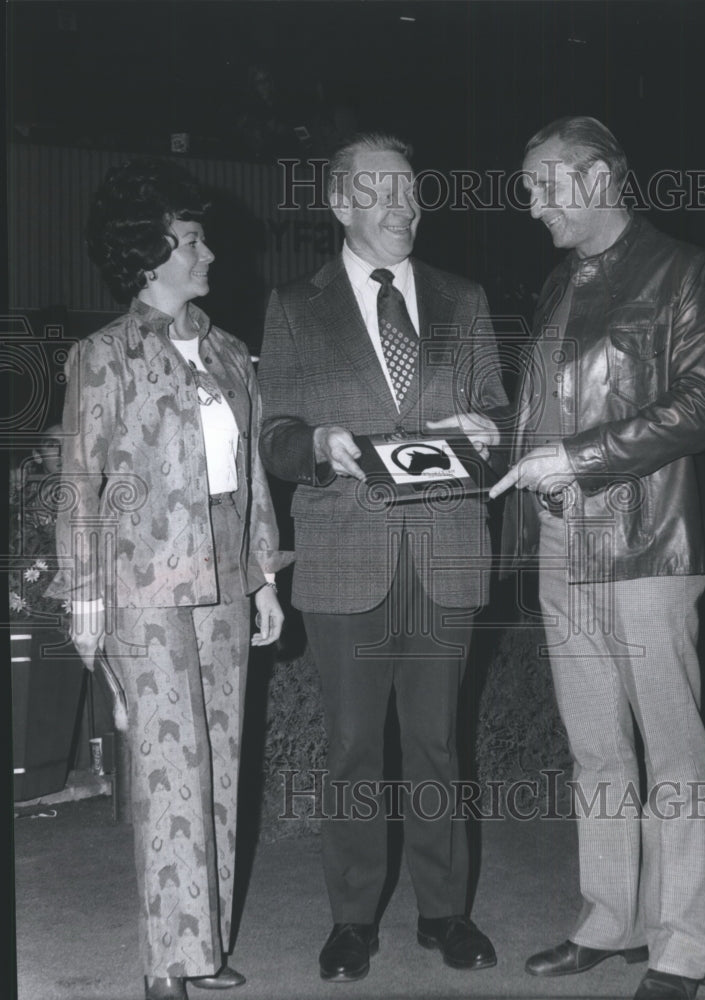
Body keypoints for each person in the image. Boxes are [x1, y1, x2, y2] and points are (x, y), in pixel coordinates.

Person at [489, 117, 705, 1000]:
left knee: (672, 750)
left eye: (543, 184)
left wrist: (579, 457)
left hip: (646, 539)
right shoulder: (560, 281)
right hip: (561, 539)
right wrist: (508, 433)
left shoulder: (682, 270)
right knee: (594, 747)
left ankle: (680, 942)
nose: (531, 204)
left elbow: (704, 404)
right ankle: (610, 919)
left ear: (596, 179)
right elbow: (551, 406)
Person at [258, 132, 507, 982]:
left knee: (436, 742)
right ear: (339, 203)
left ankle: (446, 913)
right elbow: (273, 433)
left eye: (411, 190)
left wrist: (485, 429)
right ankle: (352, 920)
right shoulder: (294, 306)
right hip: (344, 558)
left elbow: (495, 412)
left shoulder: (463, 296)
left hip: (443, 551)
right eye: (382, 192)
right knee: (355, 746)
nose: (404, 207)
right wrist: (315, 444)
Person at [49, 158, 293, 1000]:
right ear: (150, 255)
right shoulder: (103, 357)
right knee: (166, 770)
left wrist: (264, 573)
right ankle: (165, 965)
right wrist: (84, 599)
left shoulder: (227, 352)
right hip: (143, 591)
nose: (208, 254)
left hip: (225, 582)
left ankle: (203, 949)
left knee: (219, 763)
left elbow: (252, 473)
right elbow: (78, 481)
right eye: (191, 241)